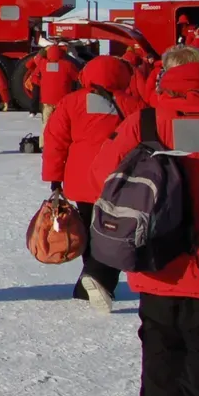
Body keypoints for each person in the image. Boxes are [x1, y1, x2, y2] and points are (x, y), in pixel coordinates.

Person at [88, 46, 199, 396]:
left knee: (159, 339)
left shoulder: (143, 122)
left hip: (157, 257)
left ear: (166, 77)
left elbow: (100, 173)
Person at [41, 54, 142, 310]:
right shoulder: (132, 105)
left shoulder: (70, 102)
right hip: (119, 180)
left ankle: (90, 282)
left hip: (80, 178)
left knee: (87, 229)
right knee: (113, 231)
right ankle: (96, 280)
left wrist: (55, 177)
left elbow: (55, 140)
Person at [31, 44, 82, 126]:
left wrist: (43, 50)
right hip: (62, 102)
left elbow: (36, 60)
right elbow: (79, 78)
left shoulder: (42, 64)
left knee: (46, 126)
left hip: (46, 101)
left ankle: (45, 138)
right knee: (62, 126)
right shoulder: (68, 65)